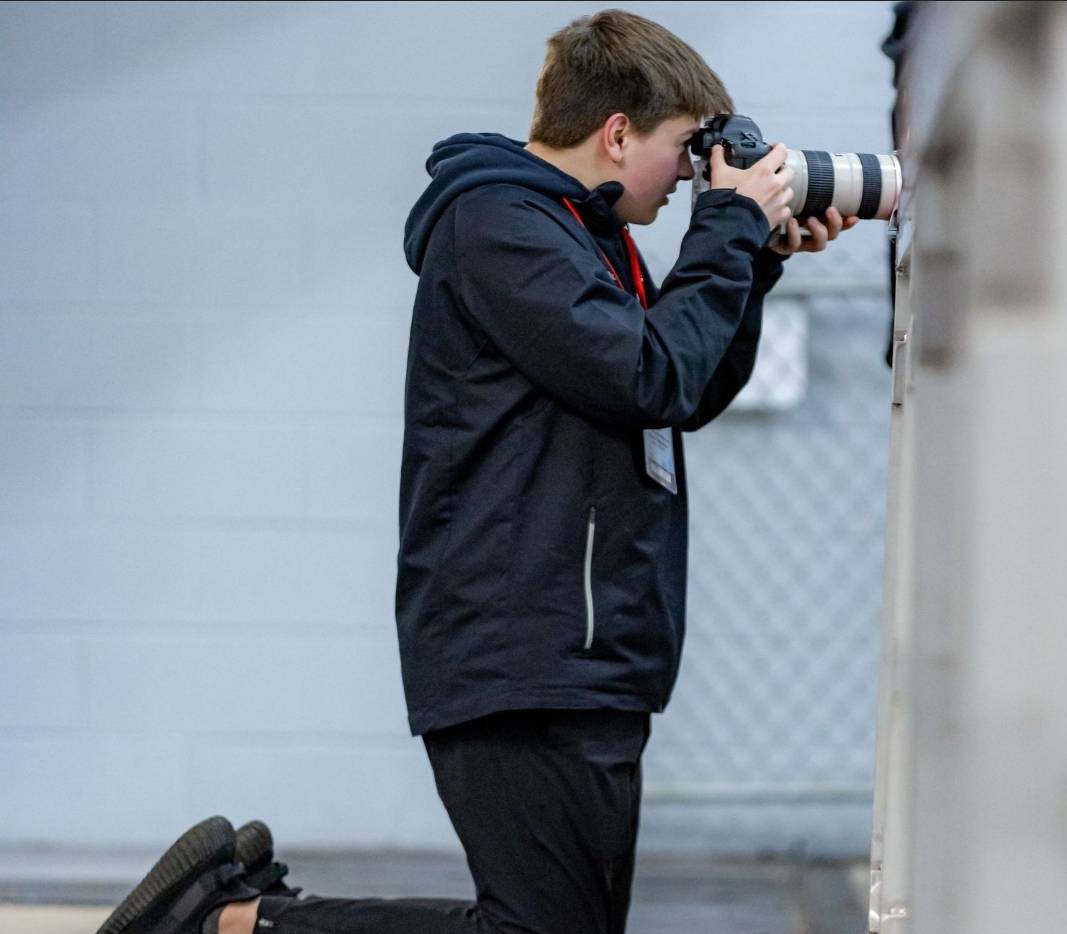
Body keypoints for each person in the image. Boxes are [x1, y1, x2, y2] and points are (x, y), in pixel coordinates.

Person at [97, 10, 856, 934]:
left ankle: (235, 917)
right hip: (522, 642)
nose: (693, 175)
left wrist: (754, 263)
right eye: (683, 149)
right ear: (616, 132)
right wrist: (729, 226)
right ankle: (230, 922)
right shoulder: (501, 224)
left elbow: (677, 386)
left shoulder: (585, 234)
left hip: (586, 649)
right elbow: (647, 372)